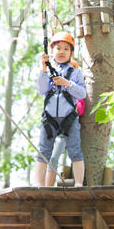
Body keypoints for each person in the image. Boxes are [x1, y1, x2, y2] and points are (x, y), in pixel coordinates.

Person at [34, 32, 86, 187]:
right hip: (49, 117)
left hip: (69, 118)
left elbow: (82, 93)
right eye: (58, 48)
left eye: (66, 49)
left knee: (75, 150)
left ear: (71, 53)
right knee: (44, 152)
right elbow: (42, 89)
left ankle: (78, 183)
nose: (62, 52)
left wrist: (68, 83)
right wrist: (43, 70)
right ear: (52, 52)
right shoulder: (48, 71)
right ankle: (39, 183)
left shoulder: (75, 73)